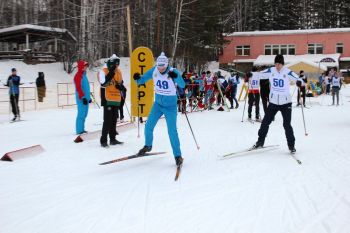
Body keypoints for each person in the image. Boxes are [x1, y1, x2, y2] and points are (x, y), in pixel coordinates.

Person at [133, 52, 185, 166]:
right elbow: (141, 80)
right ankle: (148, 145)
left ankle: (178, 156)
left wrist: (176, 77)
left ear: (166, 65)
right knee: (148, 126)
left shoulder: (173, 71)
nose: (160, 69)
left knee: (172, 131)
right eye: (159, 66)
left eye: (163, 67)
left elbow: (182, 85)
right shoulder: (154, 70)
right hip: (158, 105)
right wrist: (137, 78)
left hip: (170, 107)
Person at [252, 54, 302, 153]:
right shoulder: (271, 71)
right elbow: (260, 74)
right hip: (273, 102)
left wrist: (300, 82)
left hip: (286, 103)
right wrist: (251, 75)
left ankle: (291, 146)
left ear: (282, 64)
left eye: (279, 64)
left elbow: (298, 79)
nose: (277, 66)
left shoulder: (287, 72)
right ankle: (260, 141)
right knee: (265, 122)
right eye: (276, 63)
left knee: (287, 125)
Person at [98, 54, 124, 147]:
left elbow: (121, 83)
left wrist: (120, 86)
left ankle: (113, 139)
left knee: (114, 120)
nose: (116, 66)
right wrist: (111, 73)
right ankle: (103, 140)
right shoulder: (103, 71)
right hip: (107, 98)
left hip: (116, 98)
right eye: (115, 65)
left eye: (117, 65)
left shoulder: (119, 71)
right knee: (107, 120)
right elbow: (103, 83)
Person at [74, 60, 91, 135]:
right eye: (85, 66)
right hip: (81, 98)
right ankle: (79, 130)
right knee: (81, 114)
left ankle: (82, 129)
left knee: (85, 114)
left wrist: (89, 98)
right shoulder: (78, 76)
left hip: (85, 99)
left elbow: (86, 88)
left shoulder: (84, 75)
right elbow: (79, 88)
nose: (86, 68)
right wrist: (83, 97)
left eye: (86, 66)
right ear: (81, 66)